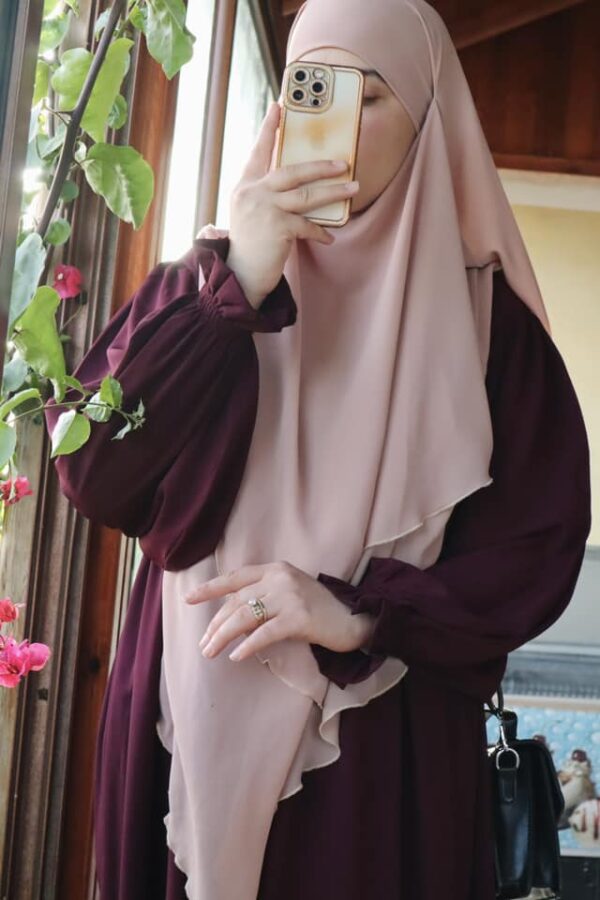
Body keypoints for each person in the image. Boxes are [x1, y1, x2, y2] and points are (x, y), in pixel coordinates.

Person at [45, 1, 592, 898]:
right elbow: (94, 474)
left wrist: (360, 615)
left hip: (377, 745)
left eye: (367, 97)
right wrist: (236, 287)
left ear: (428, 121)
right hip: (182, 714)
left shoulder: (491, 332)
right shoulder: (201, 285)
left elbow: (536, 553)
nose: (335, 127)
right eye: (311, 90)